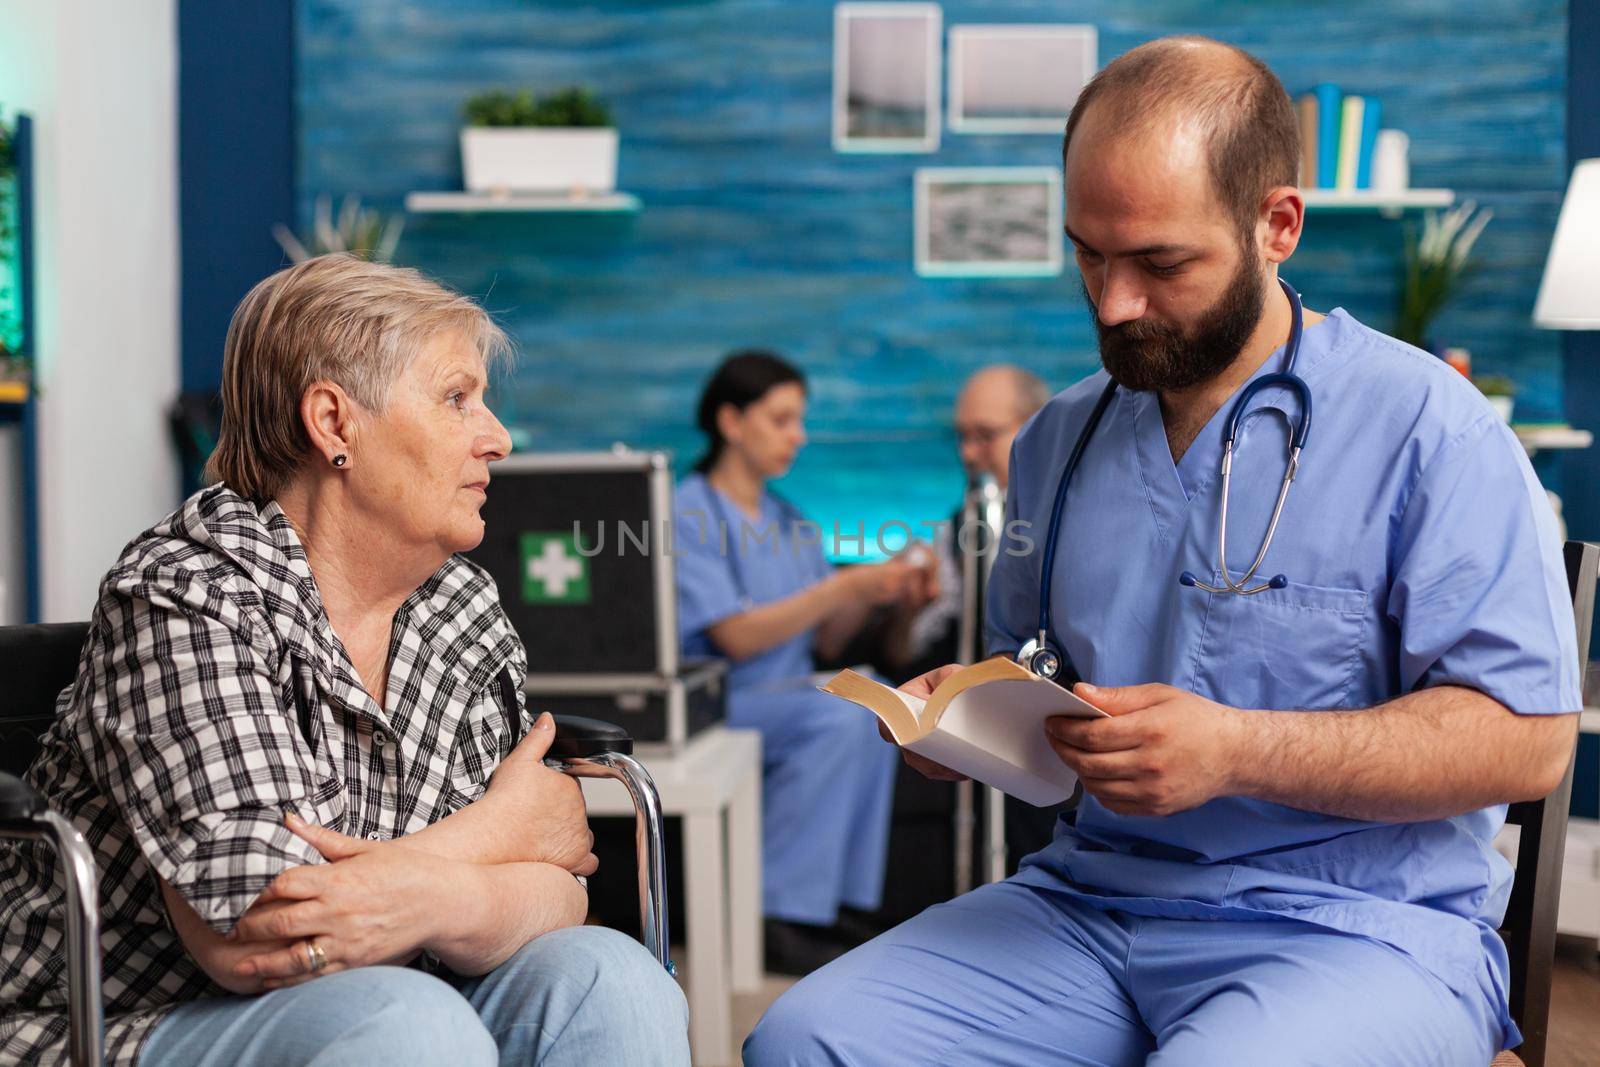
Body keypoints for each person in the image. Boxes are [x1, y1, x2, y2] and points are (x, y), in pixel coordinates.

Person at [747, 36, 1579, 1065]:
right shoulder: (1060, 438)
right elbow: (1038, 672)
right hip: (1088, 903)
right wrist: (967, 720)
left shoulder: (1431, 430)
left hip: (1352, 929)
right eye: (1089, 253)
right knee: (806, 1036)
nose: (1112, 303)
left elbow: (1526, 740)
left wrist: (1237, 748)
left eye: (1159, 262)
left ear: (1277, 225)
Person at [0, 255, 689, 1066]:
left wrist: (443, 891)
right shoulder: (185, 593)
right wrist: (501, 830)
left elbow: (559, 895)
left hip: (413, 983)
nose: (496, 438)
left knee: (611, 975)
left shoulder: (458, 605)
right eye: (457, 398)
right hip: (129, 1020)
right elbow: (257, 934)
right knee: (406, 1023)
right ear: (334, 423)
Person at [673, 350, 930, 972]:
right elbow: (734, 638)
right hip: (718, 702)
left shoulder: (791, 521)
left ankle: (832, 902)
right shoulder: (688, 511)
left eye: (800, 420)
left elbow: (826, 645)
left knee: (876, 698)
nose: (798, 436)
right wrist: (841, 588)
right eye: (782, 419)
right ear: (731, 421)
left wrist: (891, 600)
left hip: (785, 694)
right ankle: (779, 913)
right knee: (839, 714)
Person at [884, 364, 1051, 679]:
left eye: (985, 435)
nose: (968, 454)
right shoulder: (956, 531)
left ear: (1039, 426)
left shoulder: (1084, 515)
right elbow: (904, 653)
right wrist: (907, 607)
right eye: (962, 437)